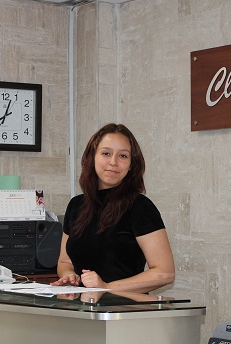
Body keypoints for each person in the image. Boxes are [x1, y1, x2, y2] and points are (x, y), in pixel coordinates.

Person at [51, 123, 175, 293]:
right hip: (84, 305)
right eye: (106, 153)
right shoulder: (76, 205)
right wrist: (69, 276)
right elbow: (65, 262)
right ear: (92, 157)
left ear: (131, 165)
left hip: (125, 307)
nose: (113, 162)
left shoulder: (141, 207)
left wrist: (107, 287)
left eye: (123, 156)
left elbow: (165, 273)